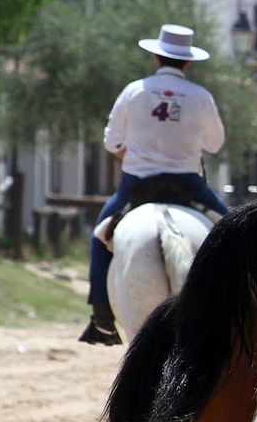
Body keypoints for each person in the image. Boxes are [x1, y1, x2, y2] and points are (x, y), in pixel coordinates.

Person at [81, 25, 230, 346]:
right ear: (187, 63)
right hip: (189, 184)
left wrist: (133, 147)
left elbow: (111, 142)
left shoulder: (134, 91)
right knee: (234, 233)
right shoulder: (201, 97)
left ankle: (101, 317)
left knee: (99, 237)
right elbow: (215, 144)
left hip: (136, 185)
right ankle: (241, 309)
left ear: (155, 56)